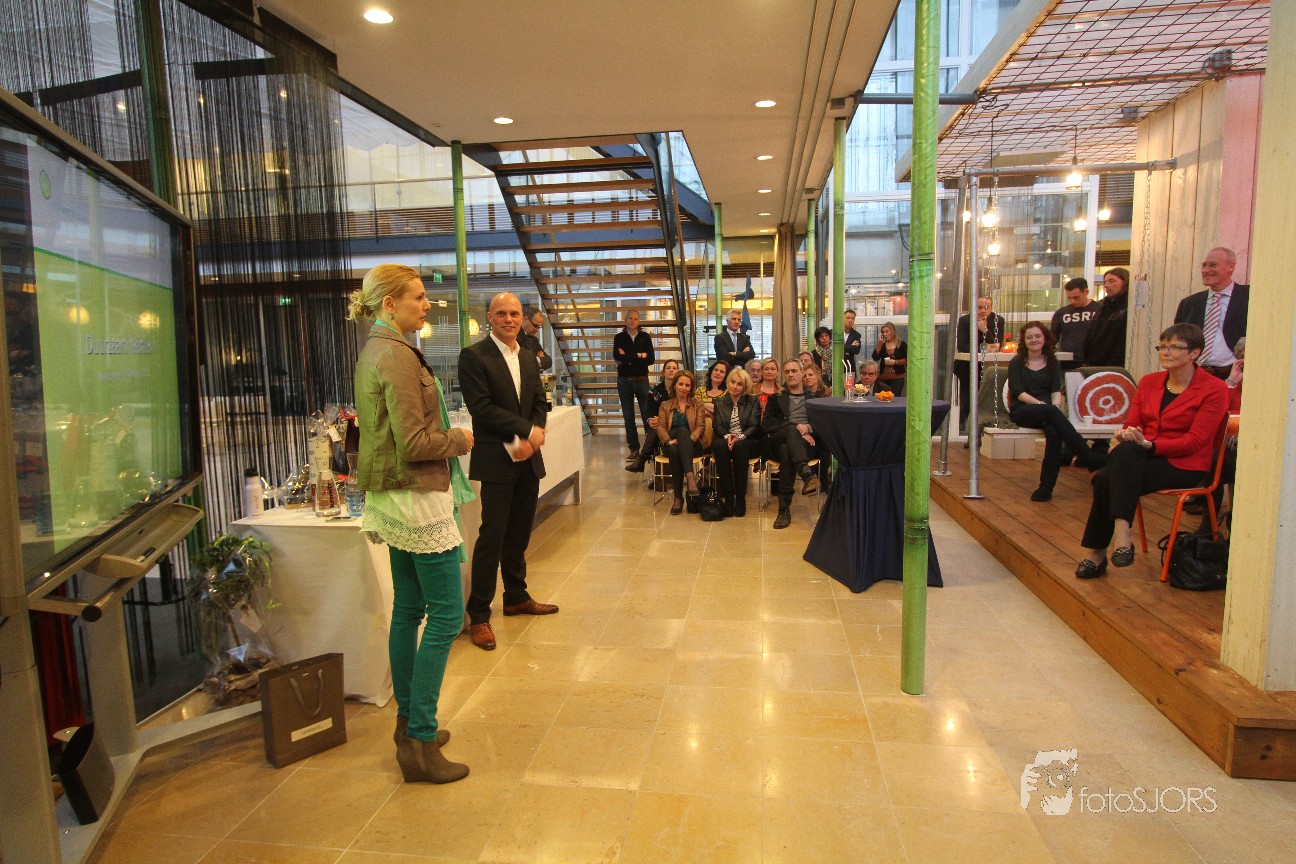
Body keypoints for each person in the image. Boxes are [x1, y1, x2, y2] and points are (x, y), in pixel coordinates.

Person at [349, 263, 472, 784]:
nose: (427, 305)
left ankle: (407, 729)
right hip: (416, 494)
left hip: (393, 494)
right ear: (389, 303)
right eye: (418, 297)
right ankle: (419, 738)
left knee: (409, 609)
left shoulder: (377, 349)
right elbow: (417, 443)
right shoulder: (396, 355)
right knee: (445, 616)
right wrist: (460, 439)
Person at [1075, 323, 1229, 578]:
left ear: (1194, 353)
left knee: (1106, 477)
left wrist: (1149, 444)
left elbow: (1195, 441)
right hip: (1140, 457)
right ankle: (1122, 534)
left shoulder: (1214, 389)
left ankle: (1099, 551)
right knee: (1124, 455)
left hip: (1185, 465)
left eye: (1174, 347)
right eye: (1162, 346)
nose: (1165, 352)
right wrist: (1126, 433)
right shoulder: (1149, 382)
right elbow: (1132, 423)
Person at [457, 292, 558, 651]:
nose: (509, 319)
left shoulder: (528, 357)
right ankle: (479, 615)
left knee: (518, 533)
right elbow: (482, 409)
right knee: (492, 537)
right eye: (502, 313)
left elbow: (539, 402)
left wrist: (532, 435)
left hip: (527, 458)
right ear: (490, 317)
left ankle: (515, 596)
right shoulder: (474, 356)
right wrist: (525, 432)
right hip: (496, 458)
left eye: (514, 314)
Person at [1006, 322, 1108, 502]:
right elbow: (1019, 393)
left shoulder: (1052, 362)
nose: (1033, 340)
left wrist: (1055, 406)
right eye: (1029, 337)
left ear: (1045, 338)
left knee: (1054, 432)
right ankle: (1088, 456)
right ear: (1024, 341)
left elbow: (1055, 390)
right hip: (1023, 410)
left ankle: (1046, 488)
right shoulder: (1016, 362)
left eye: (1037, 336)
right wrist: (1044, 406)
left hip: (1048, 411)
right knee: (1051, 413)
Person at [762, 358, 824, 529]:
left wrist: (808, 428)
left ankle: (784, 509)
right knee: (790, 431)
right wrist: (795, 427)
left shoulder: (815, 398)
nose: (790, 374)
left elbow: (823, 424)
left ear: (802, 373)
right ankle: (806, 474)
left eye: (794, 371)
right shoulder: (776, 398)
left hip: (805, 445)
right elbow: (767, 424)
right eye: (787, 372)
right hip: (779, 439)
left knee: (787, 452)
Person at [1174, 246, 1249, 380]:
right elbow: (1178, 341)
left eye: (1213, 265)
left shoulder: (1250, 297)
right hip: (1196, 375)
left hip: (1237, 375)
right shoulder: (1189, 304)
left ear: (1231, 267)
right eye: (1204, 265)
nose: (1206, 270)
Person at [712, 368, 760, 516]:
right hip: (727, 439)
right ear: (728, 382)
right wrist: (728, 436)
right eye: (732, 382)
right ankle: (728, 496)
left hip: (747, 440)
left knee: (740, 446)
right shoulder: (719, 401)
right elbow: (717, 426)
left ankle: (740, 498)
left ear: (745, 387)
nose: (734, 386)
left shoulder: (752, 400)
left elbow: (754, 425)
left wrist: (740, 436)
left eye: (739, 384)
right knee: (718, 445)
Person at [953, 296, 1007, 429]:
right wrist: (985, 348)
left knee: (988, 399)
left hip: (990, 367)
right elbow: (962, 346)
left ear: (991, 308)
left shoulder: (998, 320)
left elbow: (996, 345)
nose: (983, 311)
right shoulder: (965, 321)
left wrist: (985, 330)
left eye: (986, 307)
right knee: (968, 399)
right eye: (979, 307)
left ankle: (986, 428)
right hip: (968, 368)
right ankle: (970, 430)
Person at [656, 369, 704, 515]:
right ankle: (690, 478)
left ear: (691, 388)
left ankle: (678, 498)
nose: (683, 388)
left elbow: (700, 426)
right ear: (675, 385)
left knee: (680, 439)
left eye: (687, 385)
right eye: (681, 384)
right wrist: (668, 441)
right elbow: (660, 426)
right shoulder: (665, 405)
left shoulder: (697, 404)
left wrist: (688, 440)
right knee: (674, 445)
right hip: (670, 443)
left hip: (693, 444)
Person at [613, 308, 654, 459]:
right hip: (624, 381)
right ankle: (634, 449)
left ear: (639, 321)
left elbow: (651, 359)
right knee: (628, 417)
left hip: (642, 380)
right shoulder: (619, 337)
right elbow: (617, 356)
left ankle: (649, 449)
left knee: (647, 415)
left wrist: (629, 357)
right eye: (630, 318)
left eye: (636, 319)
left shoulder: (645, 337)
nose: (633, 321)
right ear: (625, 320)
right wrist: (640, 355)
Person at [626, 358, 679, 473]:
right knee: (656, 426)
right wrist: (650, 420)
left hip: (676, 424)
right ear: (663, 372)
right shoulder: (654, 390)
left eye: (674, 368)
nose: (671, 370)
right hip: (658, 425)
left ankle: (642, 459)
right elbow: (649, 411)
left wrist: (662, 420)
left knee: (658, 426)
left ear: (678, 372)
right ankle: (646, 462)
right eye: (668, 368)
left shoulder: (681, 390)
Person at [1081, 268, 1129, 368]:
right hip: (1094, 364)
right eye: (1105, 282)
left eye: (1111, 281)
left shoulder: (1128, 308)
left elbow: (1122, 341)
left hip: (1114, 366)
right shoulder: (1104, 306)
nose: (1106, 285)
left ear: (1125, 282)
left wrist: (1113, 365)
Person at [1049, 277, 1101, 368]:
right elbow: (1052, 339)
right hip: (1068, 362)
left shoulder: (1100, 310)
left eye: (1076, 297)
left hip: (1096, 361)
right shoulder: (1061, 313)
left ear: (1086, 292)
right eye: (1069, 298)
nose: (1073, 301)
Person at [695, 359, 729, 450]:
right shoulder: (700, 391)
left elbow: (725, 413)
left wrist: (704, 405)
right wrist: (712, 412)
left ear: (726, 376)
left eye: (722, 372)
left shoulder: (728, 393)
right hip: (700, 426)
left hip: (722, 427)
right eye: (716, 370)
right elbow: (695, 409)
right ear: (711, 371)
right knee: (707, 421)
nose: (718, 373)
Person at [872, 321, 907, 395]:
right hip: (882, 377)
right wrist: (880, 343)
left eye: (887, 331)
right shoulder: (882, 345)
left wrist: (895, 362)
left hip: (897, 378)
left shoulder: (902, 344)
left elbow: (907, 360)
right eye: (883, 332)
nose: (884, 334)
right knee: (881, 396)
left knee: (895, 398)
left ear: (893, 331)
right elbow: (875, 357)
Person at [518, 306, 552, 371]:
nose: (537, 330)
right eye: (535, 325)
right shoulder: (514, 337)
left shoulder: (534, 340)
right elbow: (522, 362)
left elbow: (548, 361)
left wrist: (535, 361)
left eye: (539, 327)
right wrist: (539, 360)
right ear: (525, 319)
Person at [842, 309, 862, 378]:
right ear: (843, 319)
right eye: (848, 318)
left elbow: (856, 350)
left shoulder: (856, 335)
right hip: (835, 367)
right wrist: (850, 346)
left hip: (849, 368)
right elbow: (833, 347)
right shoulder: (834, 333)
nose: (850, 320)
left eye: (852, 318)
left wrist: (843, 347)